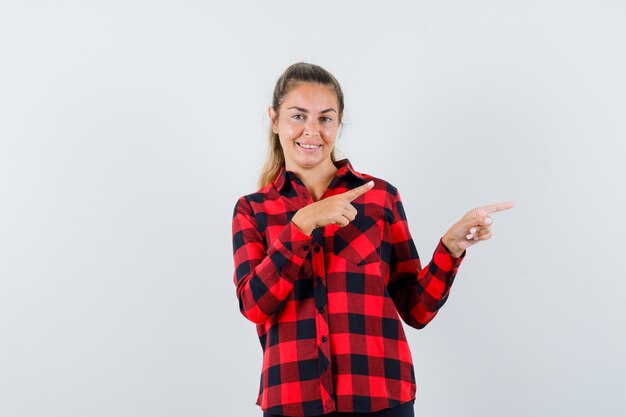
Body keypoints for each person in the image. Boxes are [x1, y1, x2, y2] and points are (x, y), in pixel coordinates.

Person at [231, 62, 514, 417]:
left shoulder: (379, 198)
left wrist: (450, 248)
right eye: (298, 116)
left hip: (382, 399)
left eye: (325, 118)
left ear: (339, 123)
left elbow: (416, 310)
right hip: (293, 403)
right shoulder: (252, 210)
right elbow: (254, 305)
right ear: (274, 120)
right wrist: (301, 225)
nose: (312, 131)